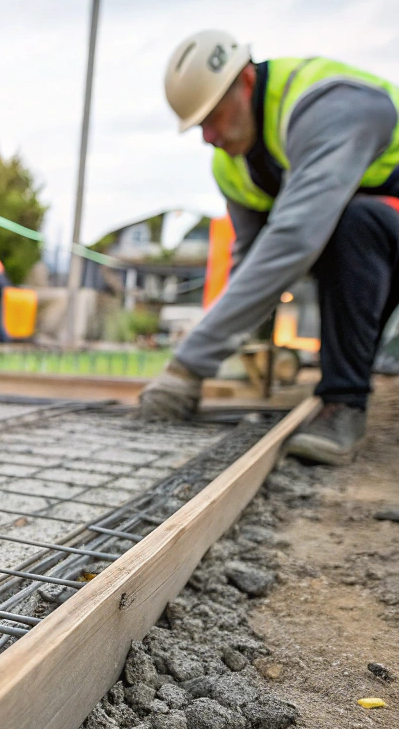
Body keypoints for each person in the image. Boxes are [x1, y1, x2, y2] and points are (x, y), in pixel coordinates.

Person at [141, 30, 399, 464]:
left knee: (346, 223)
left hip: (383, 230)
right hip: (374, 250)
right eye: (199, 125)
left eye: (213, 117)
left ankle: (343, 403)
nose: (208, 136)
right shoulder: (231, 165)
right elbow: (252, 265)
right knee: (341, 229)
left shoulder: (329, 105)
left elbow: (295, 238)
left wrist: (189, 364)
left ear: (244, 82)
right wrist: (240, 358)